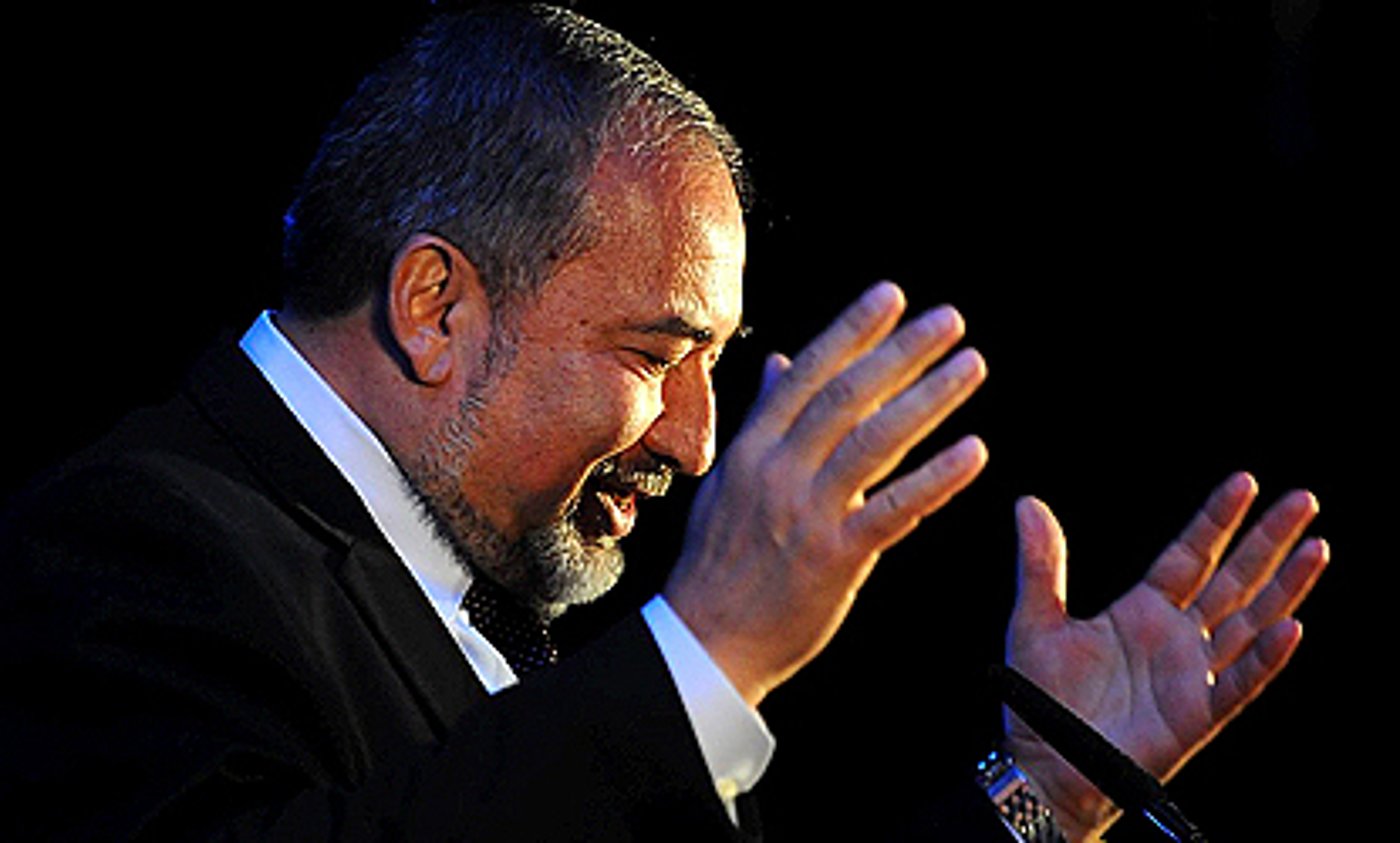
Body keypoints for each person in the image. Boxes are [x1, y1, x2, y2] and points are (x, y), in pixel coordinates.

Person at [0, 6, 1328, 841]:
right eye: (656, 354)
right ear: (434, 306)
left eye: (716, 365)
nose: (696, 444)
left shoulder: (481, 594)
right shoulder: (124, 543)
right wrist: (710, 647)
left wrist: (1041, 793)